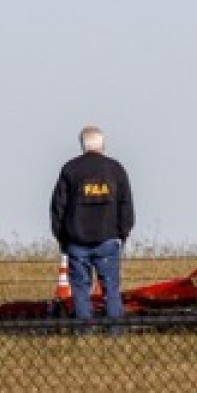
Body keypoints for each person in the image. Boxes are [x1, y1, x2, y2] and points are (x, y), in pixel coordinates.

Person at [50, 125, 135, 320]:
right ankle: (114, 332)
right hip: (108, 240)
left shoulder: (70, 169)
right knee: (111, 289)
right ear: (103, 144)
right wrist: (123, 234)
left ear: (82, 145)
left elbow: (58, 208)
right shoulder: (116, 169)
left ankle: (84, 334)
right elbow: (126, 206)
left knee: (80, 290)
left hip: (76, 242)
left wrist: (62, 238)